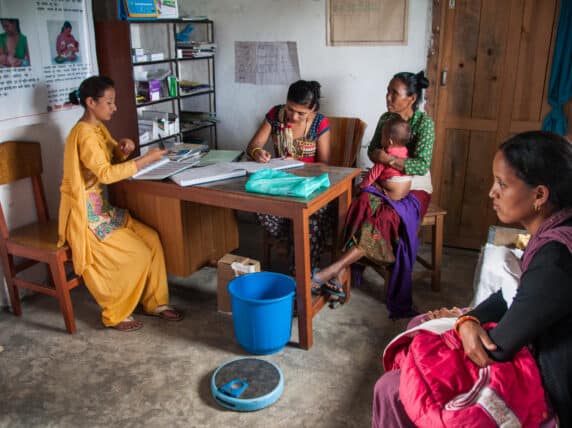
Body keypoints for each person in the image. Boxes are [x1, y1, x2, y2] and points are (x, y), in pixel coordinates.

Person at [372, 131, 572, 427]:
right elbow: (511, 295)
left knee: (391, 388)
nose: (492, 192)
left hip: (550, 390)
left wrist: (465, 327)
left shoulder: (556, 257)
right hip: (531, 350)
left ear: (539, 195)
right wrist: (468, 320)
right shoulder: (552, 232)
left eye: (502, 184)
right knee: (420, 325)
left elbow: (496, 348)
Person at [57, 76, 183, 332]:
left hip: (102, 209)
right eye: (109, 102)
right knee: (138, 253)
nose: (114, 108)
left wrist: (124, 148)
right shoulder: (83, 134)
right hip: (86, 217)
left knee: (151, 239)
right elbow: (105, 174)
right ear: (91, 103)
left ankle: (155, 303)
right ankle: (115, 312)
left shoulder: (97, 128)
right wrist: (145, 159)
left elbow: (113, 155)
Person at [312, 71, 433, 312]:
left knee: (387, 218)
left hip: (414, 186)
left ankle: (334, 269)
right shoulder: (385, 117)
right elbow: (372, 152)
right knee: (361, 202)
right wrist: (381, 160)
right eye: (387, 90)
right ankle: (339, 273)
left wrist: (387, 159)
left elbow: (421, 164)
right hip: (383, 180)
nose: (387, 97)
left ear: (411, 99)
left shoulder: (424, 124)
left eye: (394, 93)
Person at [245, 80, 332, 271]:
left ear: (313, 110)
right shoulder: (275, 115)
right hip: (280, 183)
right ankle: (285, 239)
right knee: (257, 202)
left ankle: (301, 270)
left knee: (311, 216)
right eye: (290, 108)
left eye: (301, 113)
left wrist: (298, 165)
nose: (293, 116)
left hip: (308, 185)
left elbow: (325, 165)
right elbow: (252, 146)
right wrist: (258, 152)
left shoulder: (320, 122)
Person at [360, 116, 411, 194]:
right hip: (406, 186)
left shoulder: (385, 154)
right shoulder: (405, 150)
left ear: (390, 141)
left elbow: (374, 173)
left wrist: (362, 186)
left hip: (393, 188)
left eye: (382, 136)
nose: (381, 139)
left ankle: (381, 190)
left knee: (369, 186)